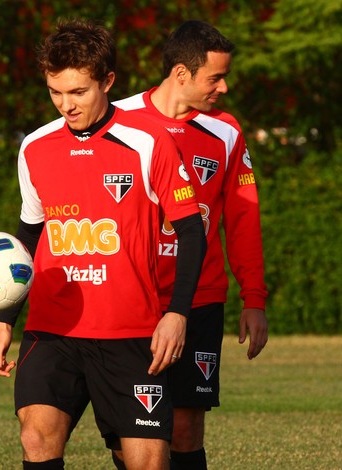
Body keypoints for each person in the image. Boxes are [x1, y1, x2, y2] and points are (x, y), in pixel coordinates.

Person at [0, 19, 206, 470]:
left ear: (107, 81)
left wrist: (177, 313)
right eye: (55, 92)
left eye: (78, 92)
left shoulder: (150, 142)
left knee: (145, 461)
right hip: (53, 330)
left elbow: (191, 231)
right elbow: (30, 234)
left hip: (129, 334)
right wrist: (6, 320)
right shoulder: (34, 147)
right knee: (36, 437)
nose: (66, 105)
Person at [115, 20, 269, 469]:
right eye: (215, 78)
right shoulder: (118, 118)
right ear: (181, 74)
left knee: (184, 427)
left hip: (200, 297)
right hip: (132, 299)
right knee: (132, 435)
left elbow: (244, 219)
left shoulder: (226, 131)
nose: (224, 87)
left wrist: (254, 298)